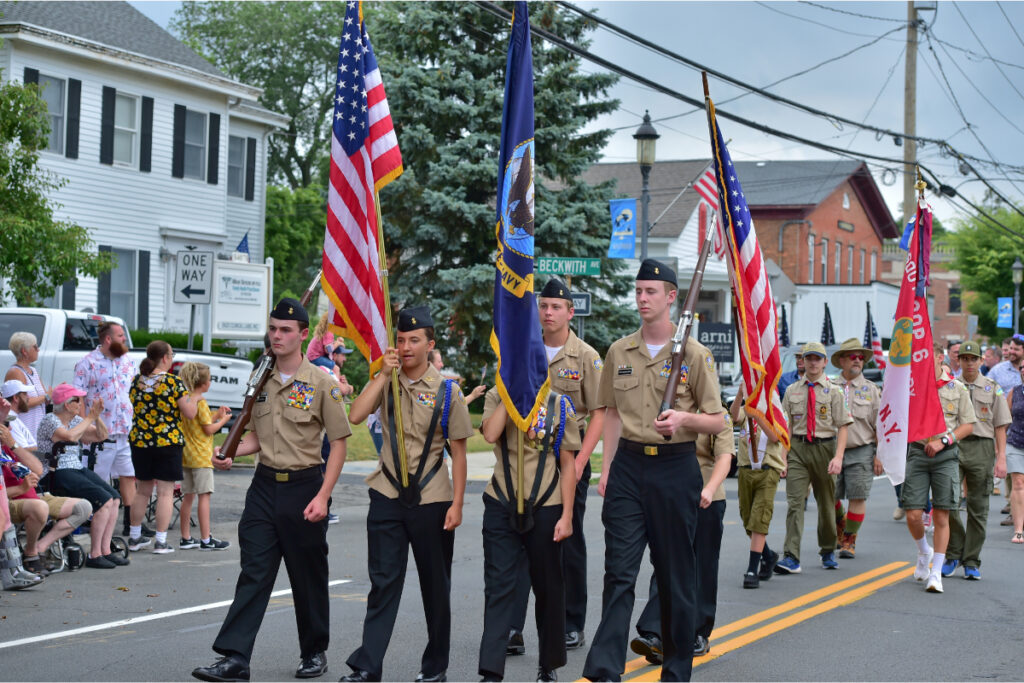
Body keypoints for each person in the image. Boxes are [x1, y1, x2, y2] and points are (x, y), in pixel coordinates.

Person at [582, 259, 726, 683]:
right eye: (639, 291)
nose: (642, 299)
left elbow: (718, 421)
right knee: (619, 572)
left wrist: (684, 420)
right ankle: (605, 669)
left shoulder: (695, 355)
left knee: (676, 574)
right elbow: (609, 414)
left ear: (670, 298)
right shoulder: (618, 350)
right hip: (627, 467)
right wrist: (606, 468)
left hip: (675, 469)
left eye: (651, 292)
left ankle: (676, 670)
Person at [192, 298, 351, 683]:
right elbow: (256, 438)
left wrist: (323, 496)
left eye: (285, 330)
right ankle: (235, 658)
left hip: (305, 487)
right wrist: (230, 454)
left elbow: (340, 442)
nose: (276, 336)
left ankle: (314, 651)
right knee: (255, 572)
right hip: (264, 487)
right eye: (273, 329)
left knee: (307, 575)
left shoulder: (322, 384)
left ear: (302, 335)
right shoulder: (259, 378)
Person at [339, 306, 473, 683]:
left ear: (430, 344)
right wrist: (383, 374)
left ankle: (435, 668)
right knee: (383, 582)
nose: (406, 346)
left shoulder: (448, 392)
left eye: (414, 340)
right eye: (400, 339)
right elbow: (356, 416)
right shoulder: (388, 381)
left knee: (435, 586)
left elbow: (459, 453)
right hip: (386, 493)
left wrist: (458, 504)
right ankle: (367, 666)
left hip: (432, 498)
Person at [507, 278, 604, 657]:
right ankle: (513, 626)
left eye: (556, 307)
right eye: (543, 306)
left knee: (567, 545)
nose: (548, 313)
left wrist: (581, 462)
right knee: (517, 545)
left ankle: (570, 622)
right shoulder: (523, 350)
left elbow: (598, 413)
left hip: (566, 464)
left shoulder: (586, 357)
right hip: (526, 465)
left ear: (570, 312)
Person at [478, 385, 578, 683]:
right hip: (501, 500)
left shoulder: (560, 405)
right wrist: (511, 397)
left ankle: (548, 665)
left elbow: (568, 462)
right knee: (499, 587)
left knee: (548, 587)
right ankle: (492, 671)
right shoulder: (496, 396)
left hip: (547, 505)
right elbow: (490, 434)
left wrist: (568, 515)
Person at [628, 417, 733, 664]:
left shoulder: (717, 415)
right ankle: (656, 634)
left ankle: (698, 632)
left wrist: (709, 489)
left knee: (702, 567)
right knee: (665, 564)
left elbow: (724, 458)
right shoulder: (667, 414)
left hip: (706, 497)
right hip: (671, 496)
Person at [902, 341, 976, 594]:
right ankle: (924, 551)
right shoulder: (912, 388)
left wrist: (944, 440)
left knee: (942, 515)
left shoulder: (956, 388)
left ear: (938, 358)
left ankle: (936, 572)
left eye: (925, 357)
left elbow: (968, 425)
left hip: (945, 455)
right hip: (918, 452)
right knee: (913, 514)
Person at [775, 341, 851, 575]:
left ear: (825, 362)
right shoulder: (792, 390)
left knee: (826, 504)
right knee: (795, 503)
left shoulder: (834, 391)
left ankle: (827, 549)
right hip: (798, 448)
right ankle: (791, 556)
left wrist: (838, 457)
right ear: (802, 361)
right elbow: (787, 427)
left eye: (817, 358)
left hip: (824, 448)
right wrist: (783, 458)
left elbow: (843, 426)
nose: (813, 362)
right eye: (809, 358)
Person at [1, 383, 91, 575]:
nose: (7, 428)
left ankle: (41, 547)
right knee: (40, 507)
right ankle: (31, 554)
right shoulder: (50, 420)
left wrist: (13, 445)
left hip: (32, 495)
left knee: (84, 507)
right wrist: (20, 488)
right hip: (13, 500)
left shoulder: (8, 446)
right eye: (4, 425)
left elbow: (37, 468)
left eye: (8, 425)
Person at [36, 383, 125, 568]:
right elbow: (68, 437)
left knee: (115, 498)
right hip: (56, 471)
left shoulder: (76, 420)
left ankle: (105, 550)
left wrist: (96, 418)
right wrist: (89, 417)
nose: (81, 403)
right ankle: (95, 554)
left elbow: (101, 436)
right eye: (78, 400)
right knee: (104, 500)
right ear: (67, 404)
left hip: (75, 468)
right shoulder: (50, 420)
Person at [942, 341, 1009, 579]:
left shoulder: (993, 388)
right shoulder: (949, 386)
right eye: (965, 358)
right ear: (958, 361)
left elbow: (1000, 426)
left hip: (982, 447)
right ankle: (953, 552)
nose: (969, 363)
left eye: (974, 359)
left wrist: (1001, 458)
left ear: (981, 361)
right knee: (947, 501)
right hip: (953, 445)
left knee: (978, 507)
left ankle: (971, 559)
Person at [73, 321, 146, 538]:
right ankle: (94, 524)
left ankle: (131, 526)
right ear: (108, 339)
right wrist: (86, 428)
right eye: (121, 335)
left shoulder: (128, 362)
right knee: (98, 479)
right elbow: (79, 398)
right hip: (100, 434)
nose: (124, 339)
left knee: (128, 476)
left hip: (123, 431)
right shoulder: (87, 363)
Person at [126, 340, 199, 555]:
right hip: (167, 441)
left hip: (140, 441)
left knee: (142, 491)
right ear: (165, 357)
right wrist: (193, 397)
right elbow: (190, 413)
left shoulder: (136, 381)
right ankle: (160, 540)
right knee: (166, 492)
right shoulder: (173, 383)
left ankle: (134, 536)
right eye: (172, 354)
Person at [830, 338, 881, 559]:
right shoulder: (829, 387)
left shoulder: (872, 390)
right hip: (830, 449)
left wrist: (879, 455)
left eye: (861, 357)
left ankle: (849, 540)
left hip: (861, 449)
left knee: (858, 496)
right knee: (828, 495)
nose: (858, 360)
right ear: (842, 360)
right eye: (853, 356)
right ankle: (841, 524)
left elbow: (881, 424)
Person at [730, 389, 785, 589]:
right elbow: (734, 417)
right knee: (747, 519)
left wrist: (759, 417)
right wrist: (740, 395)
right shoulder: (746, 409)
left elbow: (776, 437)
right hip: (746, 469)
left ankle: (752, 569)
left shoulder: (775, 410)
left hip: (767, 470)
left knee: (759, 518)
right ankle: (768, 555)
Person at [177, 362, 233, 551]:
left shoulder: (186, 400)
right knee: (204, 496)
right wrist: (224, 420)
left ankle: (185, 537)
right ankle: (206, 538)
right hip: (201, 456)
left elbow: (201, 424)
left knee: (188, 497)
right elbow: (208, 430)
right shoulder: (201, 402)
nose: (210, 382)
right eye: (209, 379)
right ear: (203, 383)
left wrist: (216, 415)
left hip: (186, 455)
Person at [5, 331, 50, 438]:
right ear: (24, 351)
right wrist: (47, 396)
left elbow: (44, 400)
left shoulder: (33, 370)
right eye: (35, 346)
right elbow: (21, 403)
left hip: (36, 430)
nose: (38, 349)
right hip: (24, 431)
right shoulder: (15, 372)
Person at [1005, 363, 1024, 543]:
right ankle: (1018, 530)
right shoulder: (1015, 392)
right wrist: (998, 448)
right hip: (1015, 443)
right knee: (1018, 483)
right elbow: (1004, 419)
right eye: (1022, 367)